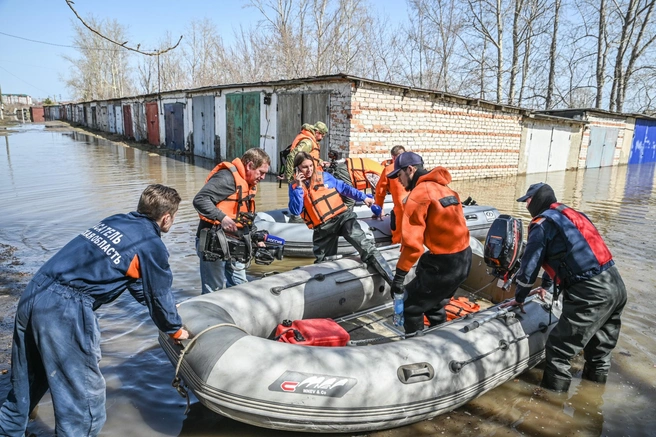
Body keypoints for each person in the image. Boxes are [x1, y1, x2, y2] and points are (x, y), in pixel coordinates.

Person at [0, 184, 190, 437]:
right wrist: (175, 330)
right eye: (173, 218)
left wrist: (159, 306)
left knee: (26, 379)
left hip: (35, 292)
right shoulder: (152, 244)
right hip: (64, 310)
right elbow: (159, 294)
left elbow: (135, 280)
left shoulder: (115, 221)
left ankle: (8, 431)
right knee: (84, 404)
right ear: (167, 217)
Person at [502, 182, 627, 392]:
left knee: (559, 350)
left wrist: (520, 297)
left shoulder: (541, 224)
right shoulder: (573, 215)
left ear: (538, 201)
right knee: (599, 352)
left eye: (528, 201)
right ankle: (594, 400)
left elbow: (530, 266)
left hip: (591, 293)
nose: (526, 206)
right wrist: (548, 286)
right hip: (615, 284)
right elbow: (566, 255)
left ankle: (552, 406)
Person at [388, 152, 472, 336]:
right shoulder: (445, 189)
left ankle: (415, 348)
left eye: (399, 175)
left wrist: (399, 277)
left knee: (410, 306)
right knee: (434, 302)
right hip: (465, 259)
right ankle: (438, 337)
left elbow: (413, 245)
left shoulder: (418, 195)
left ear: (410, 170)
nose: (398, 181)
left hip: (446, 266)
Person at [288, 151, 394, 283]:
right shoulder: (294, 187)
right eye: (305, 167)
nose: (309, 170)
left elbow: (344, 188)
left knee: (364, 245)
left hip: (342, 218)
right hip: (323, 228)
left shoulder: (325, 177)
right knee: (322, 262)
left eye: (311, 166)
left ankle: (392, 282)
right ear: (297, 168)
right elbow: (295, 210)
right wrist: (298, 187)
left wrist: (364, 197)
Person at [193, 148, 270, 293]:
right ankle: (212, 313)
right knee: (213, 289)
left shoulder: (249, 184)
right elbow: (200, 200)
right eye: (261, 172)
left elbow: (245, 215)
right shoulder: (226, 178)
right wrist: (221, 217)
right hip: (213, 242)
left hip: (236, 242)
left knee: (241, 286)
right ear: (250, 165)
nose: (263, 177)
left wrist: (255, 236)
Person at [285, 122, 329, 223]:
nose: (322, 137)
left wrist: (320, 162)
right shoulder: (308, 142)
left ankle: (305, 217)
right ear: (317, 132)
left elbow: (309, 157)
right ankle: (295, 221)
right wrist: (291, 177)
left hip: (307, 176)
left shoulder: (310, 141)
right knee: (297, 199)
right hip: (300, 176)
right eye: (322, 135)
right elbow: (292, 156)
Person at [374, 145, 406, 243]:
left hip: (400, 209)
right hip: (416, 207)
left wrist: (378, 210)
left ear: (393, 157)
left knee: (398, 237)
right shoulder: (413, 167)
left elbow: (380, 192)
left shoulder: (389, 169)